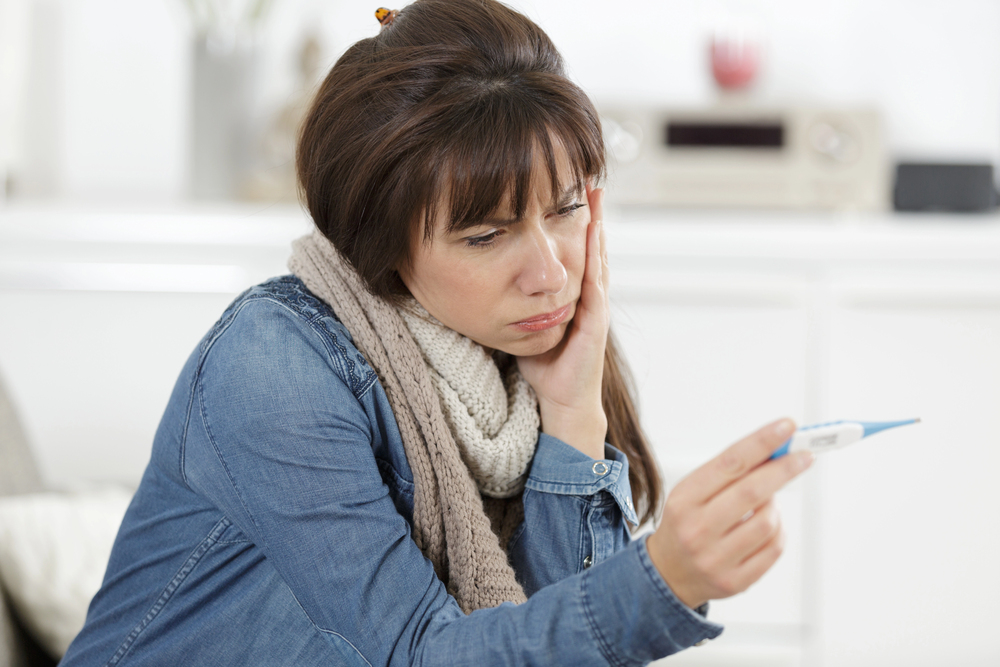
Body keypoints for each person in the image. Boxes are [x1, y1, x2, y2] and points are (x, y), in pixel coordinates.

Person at [60, 1, 814, 665]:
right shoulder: (272, 366)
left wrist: (574, 413)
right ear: (382, 246)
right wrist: (662, 581)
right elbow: (420, 655)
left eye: (565, 209)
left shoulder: (514, 367)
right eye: (488, 235)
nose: (550, 273)